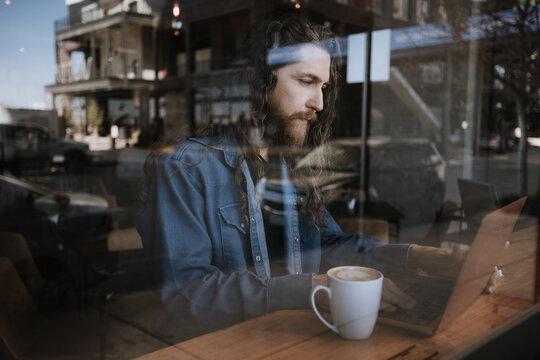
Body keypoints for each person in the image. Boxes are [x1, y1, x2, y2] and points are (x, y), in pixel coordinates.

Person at [137, 16, 467, 337]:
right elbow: (185, 296)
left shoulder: (289, 165)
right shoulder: (187, 167)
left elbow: (326, 247)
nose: (319, 103)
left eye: (323, 86)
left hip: (294, 337)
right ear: (258, 80)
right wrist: (306, 288)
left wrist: (422, 257)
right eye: (306, 81)